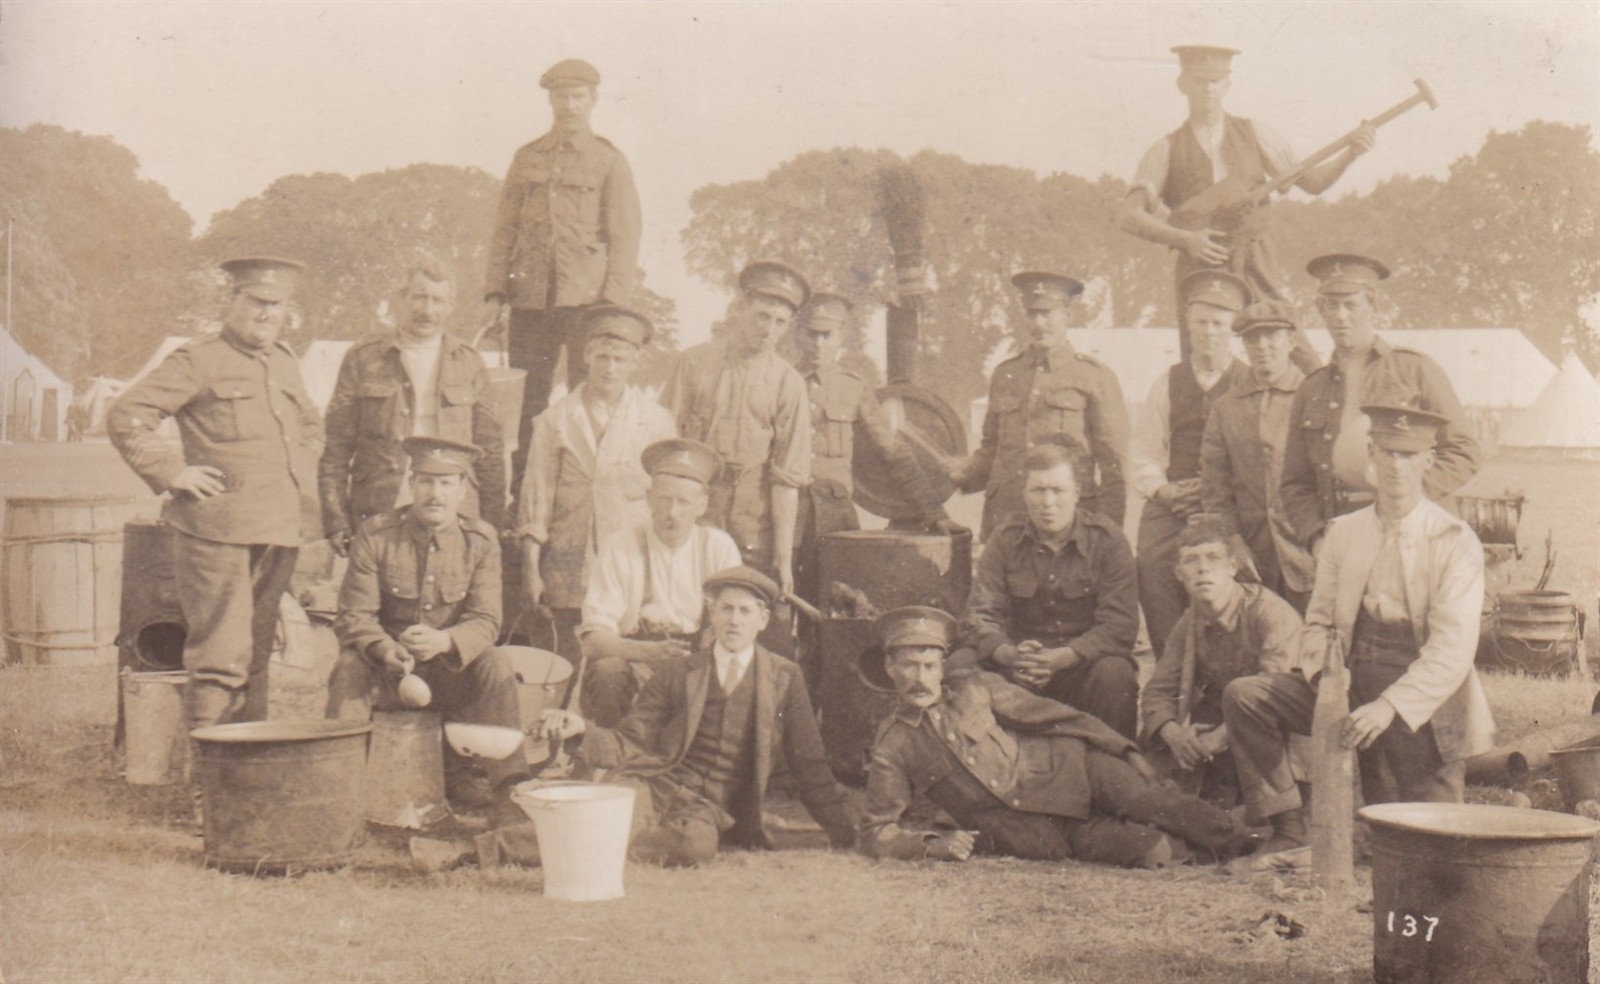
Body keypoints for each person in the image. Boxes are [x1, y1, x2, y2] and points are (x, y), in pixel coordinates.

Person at [461, 566, 855, 870]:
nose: (734, 620)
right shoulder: (678, 671)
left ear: (763, 620)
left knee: (693, 848)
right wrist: (582, 730)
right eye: (725, 609)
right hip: (657, 781)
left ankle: (591, 842)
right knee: (613, 821)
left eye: (745, 611)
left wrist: (844, 830)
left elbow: (809, 763)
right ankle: (474, 852)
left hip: (708, 807)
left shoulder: (784, 677)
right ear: (712, 616)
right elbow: (631, 739)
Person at [108, 256, 322, 733]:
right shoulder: (199, 359)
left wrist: (300, 478)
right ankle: (209, 781)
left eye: (278, 305)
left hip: (278, 528)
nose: (267, 314)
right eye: (257, 302)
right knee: (221, 656)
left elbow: (310, 425)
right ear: (233, 300)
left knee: (258, 652)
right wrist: (172, 471)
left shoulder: (284, 361)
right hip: (217, 531)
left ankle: (248, 768)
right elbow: (127, 413)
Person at [860, 605, 1247, 867]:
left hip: (1073, 769)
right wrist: (933, 845)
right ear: (889, 667)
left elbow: (1058, 716)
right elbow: (878, 832)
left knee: (1148, 798)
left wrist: (1124, 751)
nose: (920, 678)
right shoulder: (893, 745)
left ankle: (1243, 840)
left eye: (929, 666)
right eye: (909, 666)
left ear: (943, 665)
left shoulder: (977, 686)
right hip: (1034, 830)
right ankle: (1201, 843)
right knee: (1152, 851)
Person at [1119, 43, 1374, 370]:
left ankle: (1325, 400)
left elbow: (1312, 182)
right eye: (1199, 80)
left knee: (1287, 336)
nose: (1208, 89)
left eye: (1216, 80)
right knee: (1201, 354)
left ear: (1228, 84)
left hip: (1254, 255)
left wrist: (1351, 153)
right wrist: (1184, 240)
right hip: (1200, 260)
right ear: (1182, 84)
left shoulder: (1257, 133)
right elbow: (1128, 216)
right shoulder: (1165, 148)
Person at [1304, 405, 1493, 805]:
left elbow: (1451, 650)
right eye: (1387, 452)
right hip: (1351, 672)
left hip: (1421, 681)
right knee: (1250, 699)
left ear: (1428, 460)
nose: (1395, 466)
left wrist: (1389, 706)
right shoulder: (1344, 533)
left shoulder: (1453, 540)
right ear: (1371, 454)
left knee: (1435, 826)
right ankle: (1291, 825)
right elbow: (1319, 620)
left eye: (1407, 455)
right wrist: (1327, 681)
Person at [326, 436, 528, 809]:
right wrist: (386, 649)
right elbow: (354, 615)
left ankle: (506, 788)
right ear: (412, 484)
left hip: (451, 672)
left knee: (496, 662)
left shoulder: (480, 541)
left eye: (446, 483)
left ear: (463, 489)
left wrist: (445, 641)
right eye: (426, 482)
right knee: (349, 667)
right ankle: (342, 785)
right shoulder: (377, 535)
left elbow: (486, 620)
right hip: (389, 672)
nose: (435, 494)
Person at [482, 57, 642, 496]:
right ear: (550, 100)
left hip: (587, 305)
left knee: (586, 396)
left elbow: (624, 237)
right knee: (526, 403)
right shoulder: (527, 157)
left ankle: (579, 491)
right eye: (561, 96)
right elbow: (504, 230)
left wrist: (612, 306)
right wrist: (496, 292)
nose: (569, 105)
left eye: (578, 97)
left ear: (593, 100)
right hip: (531, 300)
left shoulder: (608, 160)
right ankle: (522, 494)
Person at [1278, 254, 1481, 554]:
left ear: (1374, 306)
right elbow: (1295, 482)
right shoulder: (1311, 388)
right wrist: (1316, 538)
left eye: (1351, 304)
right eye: (1331, 305)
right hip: (1342, 535)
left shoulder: (1415, 370)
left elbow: (1464, 451)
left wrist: (1408, 498)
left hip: (1417, 534)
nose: (1340, 316)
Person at [512, 305, 676, 657]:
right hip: (566, 564)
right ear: (586, 355)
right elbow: (535, 500)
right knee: (564, 660)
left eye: (620, 358)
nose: (610, 367)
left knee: (616, 668)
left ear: (635, 361)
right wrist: (530, 570)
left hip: (629, 566)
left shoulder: (657, 423)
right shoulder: (555, 420)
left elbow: (665, 504)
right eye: (602, 356)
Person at [1140, 515, 1308, 848]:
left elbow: (1272, 692)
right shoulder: (1190, 621)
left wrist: (1218, 737)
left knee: (1243, 696)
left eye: (1213, 558)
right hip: (1219, 742)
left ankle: (1289, 829)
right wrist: (1173, 734)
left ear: (1233, 566)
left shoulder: (1270, 613)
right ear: (1179, 575)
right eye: (1191, 561)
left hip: (1277, 741)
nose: (1203, 569)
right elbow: (1157, 691)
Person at [320, 260, 506, 554]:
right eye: (419, 297)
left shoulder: (470, 362)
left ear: (451, 306)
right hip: (381, 507)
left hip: (453, 510)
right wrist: (336, 520)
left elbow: (491, 452)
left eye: (437, 300)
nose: (427, 310)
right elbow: (336, 448)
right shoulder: (364, 358)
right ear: (401, 298)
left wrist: (492, 526)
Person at [959, 444, 1140, 739]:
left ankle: (1116, 766)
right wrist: (1007, 654)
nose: (1048, 502)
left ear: (1077, 492)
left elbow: (1120, 625)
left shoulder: (1108, 541)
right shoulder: (1004, 540)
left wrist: (1065, 657)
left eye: (1058, 490)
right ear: (1024, 493)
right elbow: (979, 614)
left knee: (1115, 674)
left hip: (1082, 668)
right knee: (961, 665)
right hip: (1019, 670)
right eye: (1038, 490)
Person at [661, 260, 812, 606]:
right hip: (694, 509)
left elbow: (786, 479)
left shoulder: (789, 382)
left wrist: (783, 556)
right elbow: (665, 446)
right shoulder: (693, 363)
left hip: (753, 522)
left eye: (780, 322)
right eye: (762, 316)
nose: (768, 330)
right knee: (684, 605)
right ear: (742, 309)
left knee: (746, 610)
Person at [578, 438, 743, 726]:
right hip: (633, 660)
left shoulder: (719, 548)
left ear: (702, 505)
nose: (672, 512)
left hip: (699, 663)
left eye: (684, 502)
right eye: (664, 499)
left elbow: (737, 625)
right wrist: (646, 652)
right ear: (649, 497)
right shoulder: (621, 546)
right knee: (607, 672)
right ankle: (613, 759)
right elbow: (593, 642)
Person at [951, 272, 1128, 540]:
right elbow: (992, 449)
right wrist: (961, 471)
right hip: (1008, 520)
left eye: (1048, 313)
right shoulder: (1005, 374)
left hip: (1070, 522)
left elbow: (1115, 466)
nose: (1039, 323)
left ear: (1068, 314)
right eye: (1032, 314)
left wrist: (1107, 532)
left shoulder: (1094, 377)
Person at [1132, 269, 1252, 660]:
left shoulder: (1249, 382)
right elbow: (1144, 453)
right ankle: (1170, 669)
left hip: (1228, 501)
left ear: (1234, 327)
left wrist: (1218, 489)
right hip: (1173, 501)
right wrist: (1163, 491)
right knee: (1151, 564)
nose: (1209, 332)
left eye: (1219, 323)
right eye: (1201, 322)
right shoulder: (1167, 381)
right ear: (1188, 323)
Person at [1200, 299, 1314, 610]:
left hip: (1308, 553)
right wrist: (1233, 542)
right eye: (1253, 338)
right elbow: (1215, 490)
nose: (1262, 346)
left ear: (1291, 341)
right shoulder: (1226, 407)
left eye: (1272, 336)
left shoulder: (1313, 396)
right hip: (1252, 557)